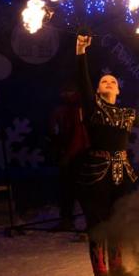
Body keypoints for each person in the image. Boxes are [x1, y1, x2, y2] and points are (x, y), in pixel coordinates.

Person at [75, 33, 137, 276]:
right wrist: (80, 50)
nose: (108, 82)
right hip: (96, 174)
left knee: (117, 222)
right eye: (103, 81)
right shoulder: (93, 108)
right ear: (98, 90)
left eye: (112, 81)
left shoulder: (127, 114)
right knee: (98, 225)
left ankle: (118, 271)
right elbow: (82, 80)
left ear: (119, 89)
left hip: (122, 173)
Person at [48, 81, 89, 231]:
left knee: (81, 189)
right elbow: (59, 131)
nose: (63, 94)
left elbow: (79, 134)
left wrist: (69, 155)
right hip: (70, 152)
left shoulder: (78, 106)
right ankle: (66, 220)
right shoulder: (65, 108)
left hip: (79, 154)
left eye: (66, 91)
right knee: (66, 188)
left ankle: (91, 223)